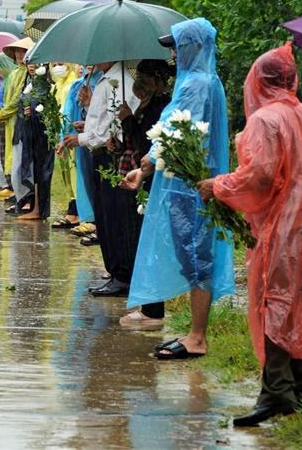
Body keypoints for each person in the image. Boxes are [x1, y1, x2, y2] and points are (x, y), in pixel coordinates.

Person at [196, 43, 302, 426]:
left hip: (285, 224)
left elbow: (258, 176)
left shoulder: (265, 120)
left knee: (275, 300)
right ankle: (300, 384)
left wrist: (218, 185)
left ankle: (277, 392)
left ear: (259, 80)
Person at [122, 18, 233, 358]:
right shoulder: (198, 81)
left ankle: (198, 337)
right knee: (191, 253)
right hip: (184, 179)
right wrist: (147, 165)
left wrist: (150, 162)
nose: (172, 56)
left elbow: (181, 132)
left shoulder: (198, 84)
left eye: (176, 48)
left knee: (197, 254)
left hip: (191, 183)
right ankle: (194, 332)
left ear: (194, 47)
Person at [63, 59, 140, 295]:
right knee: (105, 216)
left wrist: (83, 138)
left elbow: (114, 127)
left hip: (112, 155)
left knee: (116, 217)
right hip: (99, 153)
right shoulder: (105, 81)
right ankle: (114, 271)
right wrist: (87, 117)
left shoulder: (121, 82)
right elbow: (102, 121)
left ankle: (122, 275)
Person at [115, 59, 174, 328]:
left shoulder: (160, 108)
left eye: (143, 77)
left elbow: (144, 143)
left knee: (150, 242)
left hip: (152, 178)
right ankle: (149, 305)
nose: (138, 82)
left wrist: (128, 121)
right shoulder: (148, 105)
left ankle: (153, 309)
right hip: (144, 176)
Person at [0, 38, 34, 207]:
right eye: (17, 52)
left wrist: (4, 112)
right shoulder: (14, 73)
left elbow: (19, 98)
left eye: (23, 51)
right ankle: (17, 192)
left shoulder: (29, 74)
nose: (19, 55)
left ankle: (25, 194)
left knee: (21, 159)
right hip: (9, 121)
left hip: (19, 119)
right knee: (11, 156)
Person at [11, 62, 54, 221]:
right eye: (29, 63)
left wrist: (34, 112)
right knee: (34, 168)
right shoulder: (31, 84)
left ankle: (39, 209)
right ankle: (35, 206)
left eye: (36, 64)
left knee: (42, 170)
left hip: (42, 135)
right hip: (31, 132)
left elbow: (49, 110)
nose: (32, 66)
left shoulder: (46, 86)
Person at [49, 63, 81, 229]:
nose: (57, 67)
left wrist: (64, 136)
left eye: (61, 64)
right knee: (66, 174)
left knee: (74, 173)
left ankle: (76, 212)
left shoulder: (73, 84)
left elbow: (68, 113)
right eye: (54, 64)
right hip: (63, 135)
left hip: (71, 136)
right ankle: (72, 209)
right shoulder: (59, 85)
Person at [0, 52, 17, 199]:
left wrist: (1, 113)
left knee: (9, 152)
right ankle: (9, 182)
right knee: (4, 152)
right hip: (3, 119)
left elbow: (12, 101)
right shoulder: (6, 79)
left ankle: (13, 185)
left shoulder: (12, 78)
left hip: (8, 119)